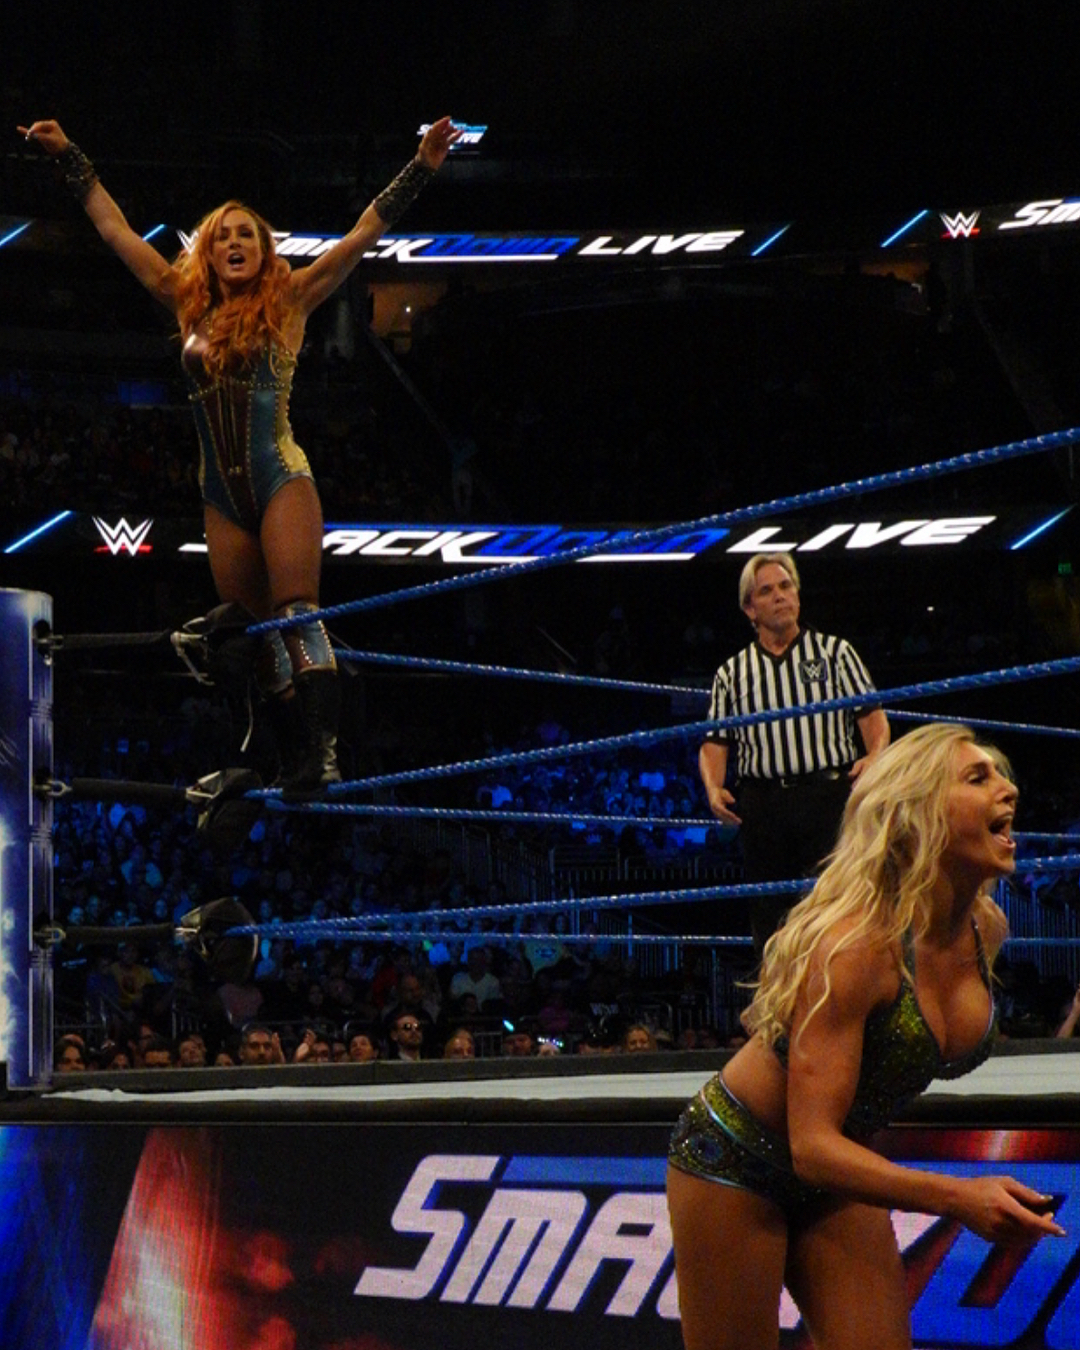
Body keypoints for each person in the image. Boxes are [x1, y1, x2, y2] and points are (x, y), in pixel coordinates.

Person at [18, 114, 460, 794]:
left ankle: (326, 751)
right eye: (222, 235)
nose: (233, 242)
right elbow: (115, 231)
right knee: (254, 636)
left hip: (280, 476)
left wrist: (422, 164)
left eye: (245, 233)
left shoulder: (291, 297)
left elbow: (363, 233)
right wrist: (70, 157)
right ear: (208, 251)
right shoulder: (184, 301)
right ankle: (293, 755)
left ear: (264, 248)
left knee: (296, 611)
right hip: (219, 495)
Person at [667, 723, 1065, 1350]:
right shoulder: (858, 947)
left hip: (841, 1165)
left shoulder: (985, 930)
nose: (1008, 788)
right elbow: (811, 1146)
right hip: (735, 1158)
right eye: (977, 777)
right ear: (920, 811)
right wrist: (958, 1196)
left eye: (1001, 773)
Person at [699, 552, 890, 953]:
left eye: (786, 586)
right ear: (750, 608)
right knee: (771, 917)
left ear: (798, 595)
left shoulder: (836, 652)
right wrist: (714, 788)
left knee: (840, 905)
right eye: (766, 591)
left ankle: (842, 987)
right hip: (763, 804)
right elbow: (715, 741)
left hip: (828, 796)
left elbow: (873, 716)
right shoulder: (731, 673)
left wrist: (875, 756)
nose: (780, 596)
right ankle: (778, 992)